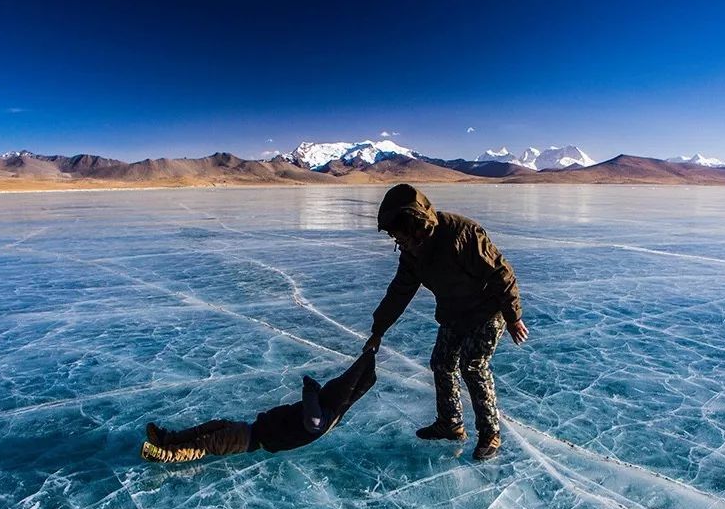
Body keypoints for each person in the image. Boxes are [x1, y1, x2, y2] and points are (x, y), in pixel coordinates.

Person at [363, 184, 528, 461]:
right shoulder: (412, 253)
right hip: (454, 312)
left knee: (472, 366)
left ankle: (490, 433)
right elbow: (399, 292)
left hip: (488, 310)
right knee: (441, 362)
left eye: (398, 233)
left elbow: (502, 273)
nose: (396, 241)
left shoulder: (461, 233)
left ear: (414, 224)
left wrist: (513, 317)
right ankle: (450, 423)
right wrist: (378, 330)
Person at [141, 350, 376, 463]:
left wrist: (310, 389)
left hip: (248, 438)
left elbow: (313, 422)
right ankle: (168, 439)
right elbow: (349, 384)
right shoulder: (330, 412)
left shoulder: (323, 416)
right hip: (249, 431)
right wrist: (367, 357)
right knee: (208, 429)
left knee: (206, 444)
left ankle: (165, 454)